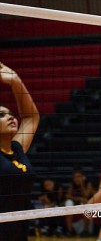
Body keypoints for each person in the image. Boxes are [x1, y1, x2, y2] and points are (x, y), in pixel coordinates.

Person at [0, 62, 40, 241]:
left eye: (10, 113)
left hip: (20, 233)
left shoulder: (17, 149)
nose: (10, 116)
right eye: (1, 115)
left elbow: (31, 117)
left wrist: (16, 81)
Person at [64, 169, 96, 236]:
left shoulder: (88, 184)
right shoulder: (72, 184)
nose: (77, 178)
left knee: (85, 204)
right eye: (75, 177)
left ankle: (85, 230)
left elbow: (86, 195)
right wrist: (78, 198)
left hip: (89, 203)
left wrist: (82, 184)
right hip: (77, 202)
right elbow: (68, 196)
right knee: (68, 203)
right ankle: (70, 231)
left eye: (79, 176)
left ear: (83, 177)